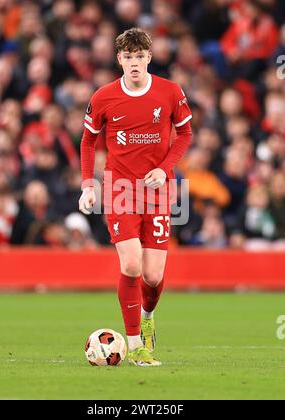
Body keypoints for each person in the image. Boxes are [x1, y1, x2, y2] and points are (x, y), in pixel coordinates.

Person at [79, 28, 192, 366]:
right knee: (130, 264)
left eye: (140, 57)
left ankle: (147, 315)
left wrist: (165, 167)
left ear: (149, 58)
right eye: (128, 57)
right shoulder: (103, 97)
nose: (134, 63)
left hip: (158, 190)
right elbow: (88, 141)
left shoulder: (170, 92)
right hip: (119, 189)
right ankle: (135, 345)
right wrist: (87, 184)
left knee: (153, 276)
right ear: (119, 60)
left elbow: (185, 133)